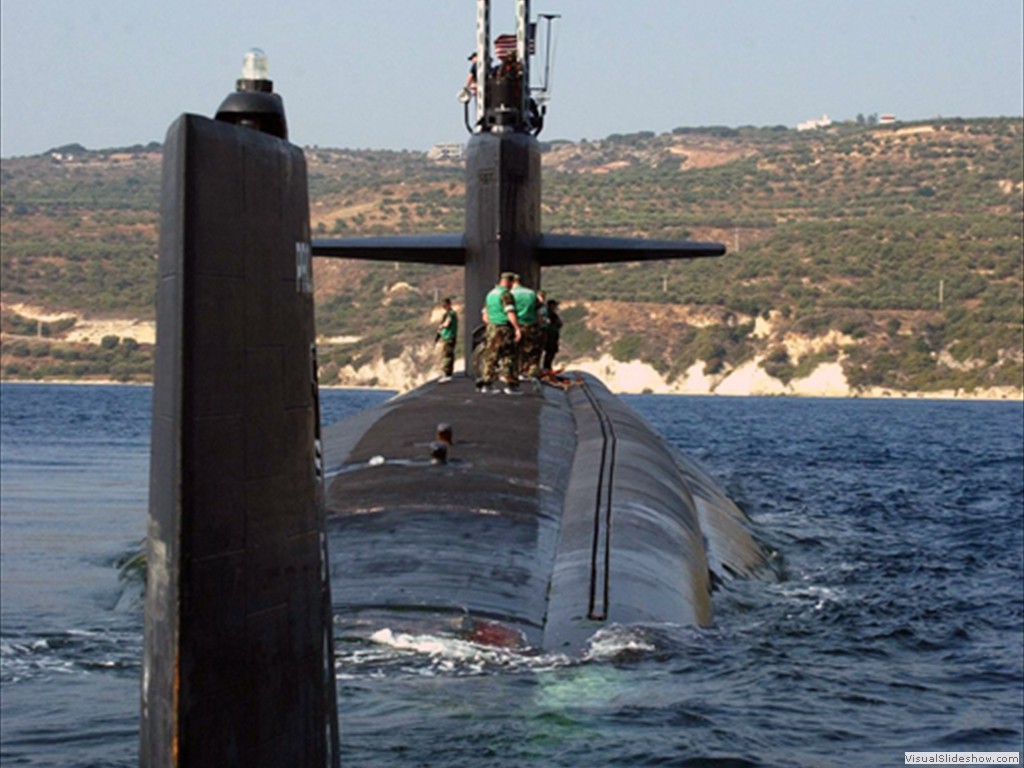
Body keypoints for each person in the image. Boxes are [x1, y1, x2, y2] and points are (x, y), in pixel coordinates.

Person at [478, 272, 522, 395]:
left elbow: (485, 316)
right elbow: (510, 312)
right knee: (509, 356)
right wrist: (517, 328)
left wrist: (492, 324)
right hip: (503, 329)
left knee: (491, 355)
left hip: (492, 327)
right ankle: (511, 384)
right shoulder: (506, 294)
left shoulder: (490, 294)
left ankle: (487, 383)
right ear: (509, 282)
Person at [510, 274, 541, 379]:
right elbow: (538, 309)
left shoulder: (510, 294)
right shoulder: (531, 293)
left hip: (516, 325)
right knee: (531, 351)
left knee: (516, 350)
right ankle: (530, 373)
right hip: (531, 325)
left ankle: (517, 372)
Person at [435, 297, 458, 382]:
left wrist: (441, 326)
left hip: (448, 337)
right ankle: (448, 373)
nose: (444, 307)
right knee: (448, 355)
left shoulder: (450, 314)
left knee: (447, 355)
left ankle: (446, 373)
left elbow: (447, 323)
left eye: (445, 305)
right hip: (449, 336)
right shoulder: (451, 313)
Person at [541, 299, 563, 373]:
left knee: (551, 352)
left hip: (552, 334)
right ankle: (546, 367)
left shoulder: (552, 314)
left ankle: (547, 367)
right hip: (550, 334)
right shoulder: (549, 314)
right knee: (550, 351)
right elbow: (556, 323)